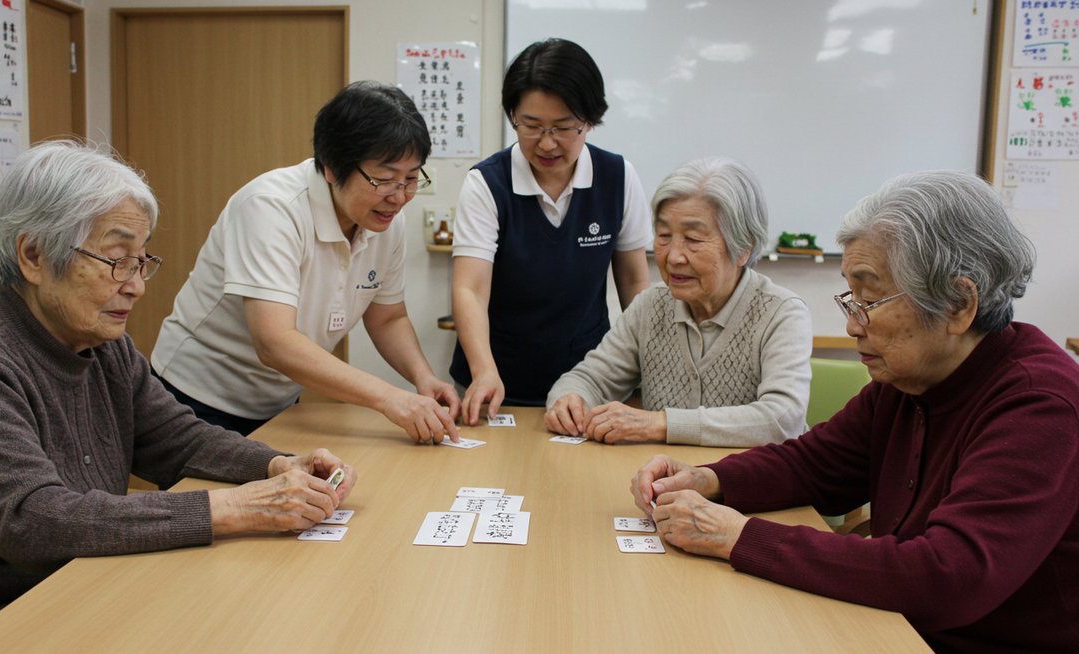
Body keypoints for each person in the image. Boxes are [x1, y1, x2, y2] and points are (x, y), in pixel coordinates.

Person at [0, 142, 358, 651]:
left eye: (140, 261)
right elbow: (35, 522)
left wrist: (277, 466)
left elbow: (179, 440)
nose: (136, 286)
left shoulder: (101, 344)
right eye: (115, 260)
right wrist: (235, 508)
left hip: (79, 588)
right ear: (34, 255)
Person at [630, 170, 1079, 652]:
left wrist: (737, 536)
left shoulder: (1040, 405)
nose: (850, 325)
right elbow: (815, 464)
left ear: (958, 303)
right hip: (895, 630)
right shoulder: (911, 378)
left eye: (869, 300)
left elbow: (948, 576)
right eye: (851, 297)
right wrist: (707, 479)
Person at [152, 81, 461, 444]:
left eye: (411, 179)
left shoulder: (385, 220)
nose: (399, 197)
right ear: (331, 168)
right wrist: (389, 397)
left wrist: (422, 377)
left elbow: (387, 317)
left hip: (279, 403)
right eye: (385, 178)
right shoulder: (271, 207)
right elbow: (275, 342)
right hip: (197, 398)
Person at [450, 38, 652, 423]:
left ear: (591, 120)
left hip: (590, 383)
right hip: (496, 381)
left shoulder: (618, 177)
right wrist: (483, 370)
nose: (546, 143)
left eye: (563, 128)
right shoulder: (487, 183)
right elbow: (470, 289)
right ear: (513, 116)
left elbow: (633, 283)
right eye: (530, 126)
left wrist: (646, 367)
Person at [545, 158, 811, 445]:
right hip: (663, 483)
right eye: (663, 236)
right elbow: (590, 378)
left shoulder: (781, 313)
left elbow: (782, 419)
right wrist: (569, 400)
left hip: (750, 485)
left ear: (743, 247)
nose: (673, 257)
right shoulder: (651, 306)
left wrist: (661, 423)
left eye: (693, 239)